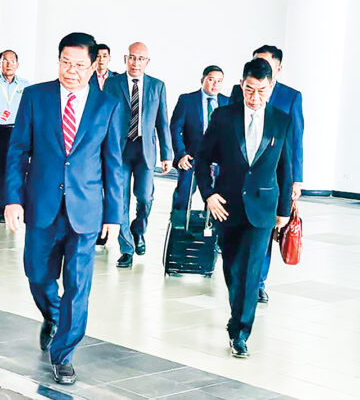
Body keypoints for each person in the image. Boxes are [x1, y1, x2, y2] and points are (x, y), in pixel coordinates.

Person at [5, 32, 126, 385]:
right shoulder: (35, 97)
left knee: (78, 284)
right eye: (65, 63)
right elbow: (17, 151)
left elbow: (114, 164)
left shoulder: (108, 106)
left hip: (85, 211)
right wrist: (12, 199)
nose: (70, 71)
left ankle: (64, 353)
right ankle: (53, 315)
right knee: (37, 274)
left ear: (94, 66)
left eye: (79, 65)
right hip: (42, 204)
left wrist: (114, 216)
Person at [195, 58, 292, 358]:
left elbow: (286, 167)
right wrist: (209, 194)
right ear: (241, 84)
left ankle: (239, 332)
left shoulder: (281, 120)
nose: (255, 97)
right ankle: (237, 314)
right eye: (249, 89)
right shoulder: (224, 117)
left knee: (250, 271)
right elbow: (202, 159)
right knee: (233, 270)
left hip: (263, 207)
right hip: (226, 206)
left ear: (271, 87)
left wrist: (284, 210)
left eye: (261, 90)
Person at [229, 45, 303, 304]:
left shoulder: (291, 97)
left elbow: (295, 141)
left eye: (266, 64)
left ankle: (258, 282)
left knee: (265, 232)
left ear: (277, 70)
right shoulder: (239, 92)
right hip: (239, 179)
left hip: (270, 180)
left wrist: (296, 179)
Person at [104, 42, 172, 268]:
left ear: (147, 62)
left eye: (141, 58)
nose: (136, 63)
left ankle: (138, 229)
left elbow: (163, 122)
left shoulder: (157, 86)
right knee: (120, 199)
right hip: (119, 150)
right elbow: (103, 118)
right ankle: (126, 248)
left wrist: (167, 154)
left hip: (145, 149)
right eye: (132, 57)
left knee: (145, 197)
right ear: (126, 59)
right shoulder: (112, 84)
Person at [170, 65, 229, 211]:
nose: (215, 84)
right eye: (211, 80)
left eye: (219, 81)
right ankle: (178, 223)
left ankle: (210, 225)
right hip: (191, 158)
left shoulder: (228, 102)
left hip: (218, 160)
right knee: (183, 196)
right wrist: (181, 154)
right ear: (203, 80)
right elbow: (175, 128)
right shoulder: (187, 100)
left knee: (216, 198)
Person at [0, 49, 30, 223]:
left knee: (18, 168)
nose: (9, 64)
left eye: (12, 61)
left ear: (17, 64)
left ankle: (17, 204)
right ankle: (1, 209)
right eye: (5, 61)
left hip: (18, 130)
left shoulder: (25, 85)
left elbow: (28, 110)